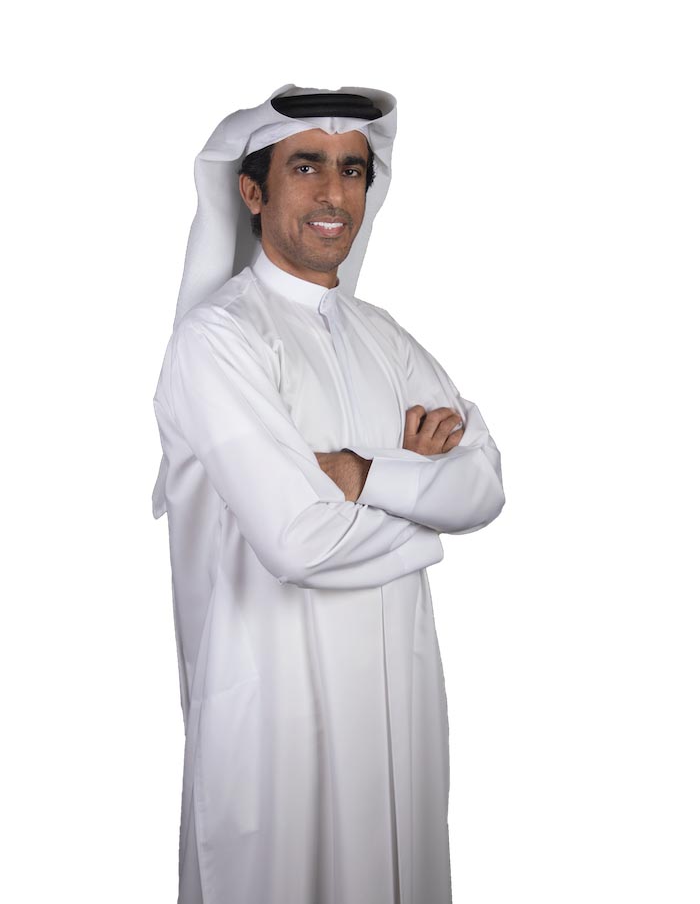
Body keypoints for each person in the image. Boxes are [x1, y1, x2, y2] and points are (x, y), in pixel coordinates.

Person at [151, 84, 505, 904]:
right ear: (251, 191)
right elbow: (298, 541)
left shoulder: (387, 339)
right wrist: (422, 503)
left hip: (395, 711)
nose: (334, 194)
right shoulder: (217, 341)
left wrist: (360, 473)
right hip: (276, 712)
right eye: (306, 166)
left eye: (352, 170)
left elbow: (484, 484)